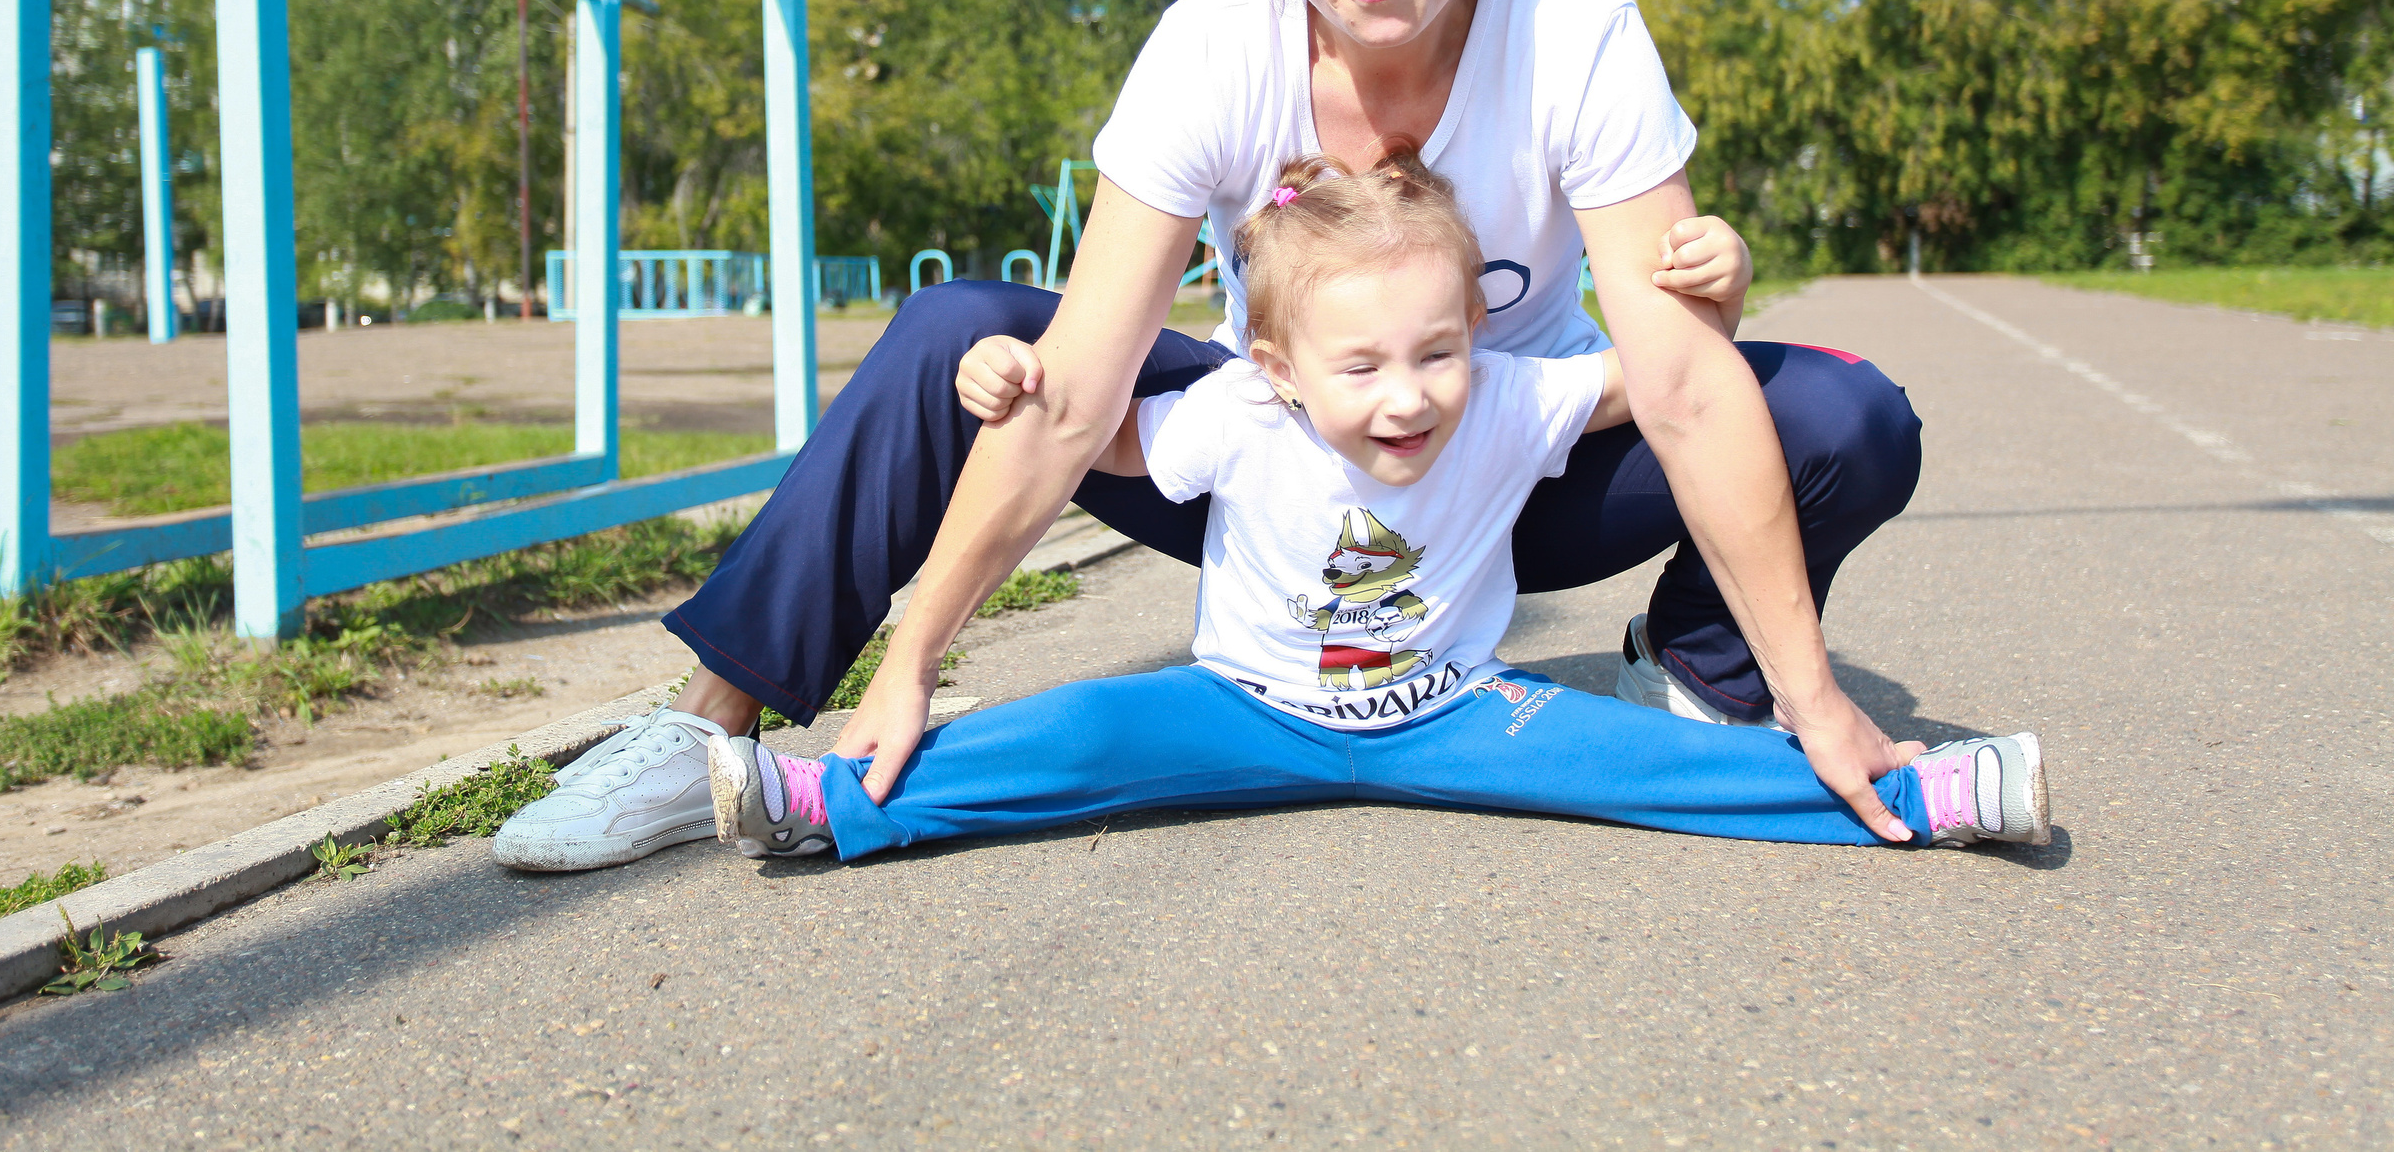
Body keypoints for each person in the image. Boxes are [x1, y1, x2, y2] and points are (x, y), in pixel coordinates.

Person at [490, 0, 1926, 875]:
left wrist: (1813, 694)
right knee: (959, 337)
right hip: (1271, 471)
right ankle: (704, 729)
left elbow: (1676, 378)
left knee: (1848, 418)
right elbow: (1077, 394)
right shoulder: (1215, 45)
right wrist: (914, 655)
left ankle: (1695, 677)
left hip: (1500, 470)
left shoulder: (1572, 25)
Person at [704, 152, 2046, 863]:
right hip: (1237, 703)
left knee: (1659, 773)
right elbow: (1095, 437)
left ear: (1474, 332)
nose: (1408, 397)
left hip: (1452, 712)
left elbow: (1666, 383)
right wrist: (999, 377)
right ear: (1279, 365)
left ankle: (1929, 795)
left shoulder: (1503, 397)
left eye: (1437, 353)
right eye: (1362, 367)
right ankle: (819, 800)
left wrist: (1722, 297)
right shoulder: (1238, 407)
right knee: (1067, 742)